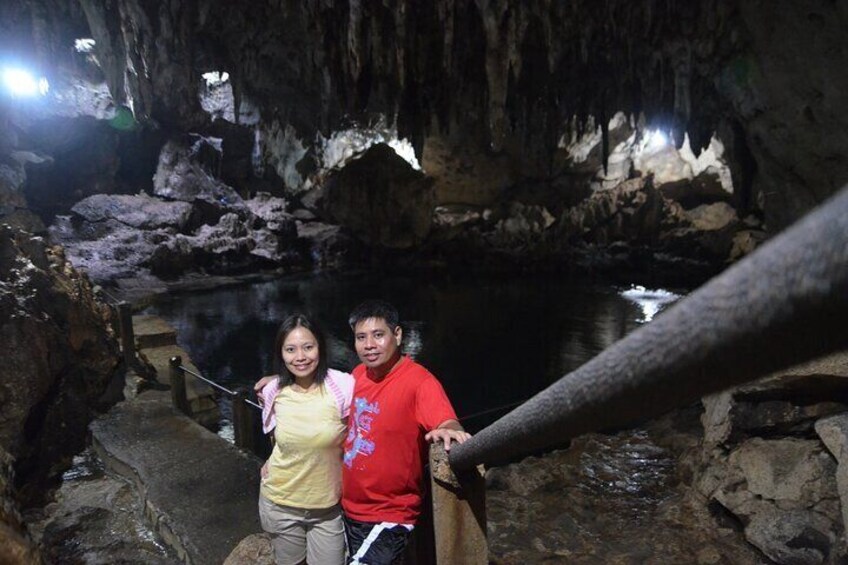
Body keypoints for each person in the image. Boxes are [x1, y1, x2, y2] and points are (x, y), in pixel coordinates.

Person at [342, 300, 471, 564]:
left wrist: (450, 430)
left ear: (397, 335)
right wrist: (277, 385)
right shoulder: (357, 375)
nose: (369, 345)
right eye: (361, 337)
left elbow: (446, 420)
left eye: (378, 335)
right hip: (348, 508)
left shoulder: (419, 382)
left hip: (390, 515)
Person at [256, 313, 354, 565]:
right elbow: (275, 433)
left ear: (320, 347)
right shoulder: (273, 390)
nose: (300, 357)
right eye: (291, 349)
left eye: (308, 347)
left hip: (327, 508)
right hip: (281, 502)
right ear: (281, 354)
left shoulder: (343, 386)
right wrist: (272, 457)